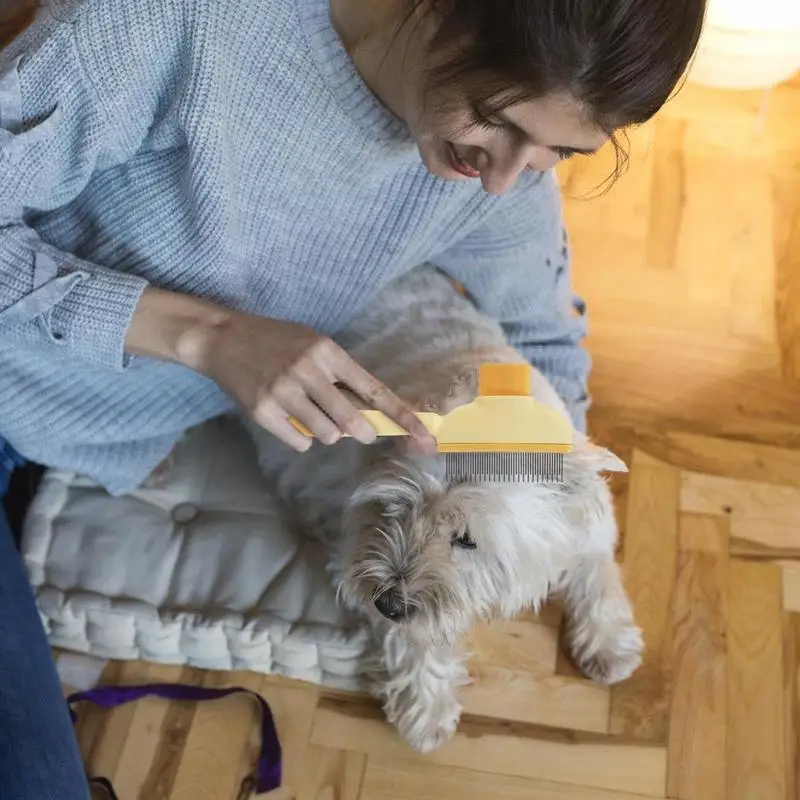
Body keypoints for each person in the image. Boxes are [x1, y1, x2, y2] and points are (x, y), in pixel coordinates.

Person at [0, 0, 705, 795]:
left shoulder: (491, 174)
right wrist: (207, 336)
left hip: (96, 442)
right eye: (494, 119)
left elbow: (543, 341)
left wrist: (536, 505)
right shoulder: (178, 23)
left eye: (559, 153)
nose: (508, 179)